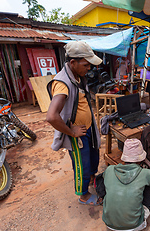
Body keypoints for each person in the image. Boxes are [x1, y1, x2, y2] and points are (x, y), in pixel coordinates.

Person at [46, 41, 102, 205]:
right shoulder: (62, 83)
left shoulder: (77, 76)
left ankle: (92, 179)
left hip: (88, 129)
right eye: (86, 65)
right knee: (81, 165)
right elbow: (51, 116)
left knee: (93, 157)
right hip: (77, 134)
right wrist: (72, 132)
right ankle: (83, 195)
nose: (89, 68)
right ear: (72, 62)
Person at [102, 138, 150, 231]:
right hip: (134, 225)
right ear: (141, 159)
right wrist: (147, 161)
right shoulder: (145, 174)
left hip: (108, 223)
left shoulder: (109, 169)